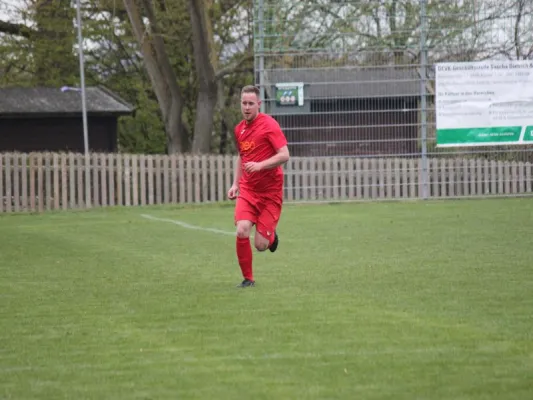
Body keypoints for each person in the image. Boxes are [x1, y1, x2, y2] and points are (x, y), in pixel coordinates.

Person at [227, 85, 290, 288]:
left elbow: (284, 155)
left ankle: (271, 239)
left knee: (261, 245)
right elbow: (241, 156)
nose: (246, 107)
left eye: (251, 104)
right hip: (248, 190)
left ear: (259, 105)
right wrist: (235, 184)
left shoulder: (269, 125)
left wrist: (260, 165)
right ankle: (248, 279)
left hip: (270, 193)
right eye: (244, 103)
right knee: (242, 230)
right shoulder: (239, 129)